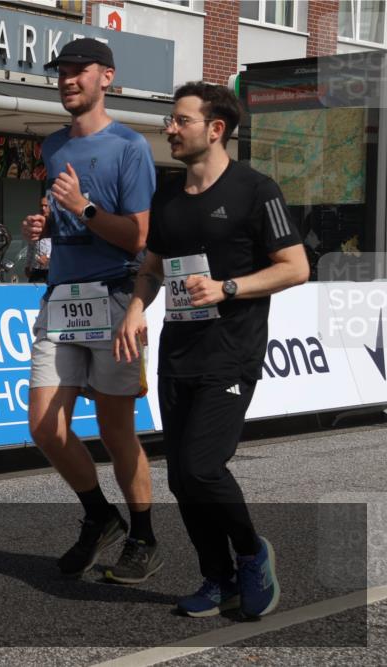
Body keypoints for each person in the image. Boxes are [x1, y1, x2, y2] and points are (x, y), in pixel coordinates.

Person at [115, 82, 308, 617]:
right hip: (179, 351)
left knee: (202, 468)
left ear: (215, 129)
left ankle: (251, 554)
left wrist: (229, 287)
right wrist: (136, 307)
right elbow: (152, 268)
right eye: (170, 120)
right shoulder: (168, 195)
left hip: (232, 351)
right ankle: (216, 577)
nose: (169, 129)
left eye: (180, 120)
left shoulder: (256, 190)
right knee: (180, 475)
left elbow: (296, 267)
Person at [22, 38, 159, 583]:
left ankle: (144, 535)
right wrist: (50, 225)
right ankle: (101, 518)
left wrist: (82, 207)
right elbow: (70, 222)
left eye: (80, 71)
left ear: (108, 77)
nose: (68, 80)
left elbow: (138, 238)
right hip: (61, 300)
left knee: (115, 430)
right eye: (62, 72)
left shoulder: (130, 147)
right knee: (44, 427)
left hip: (115, 297)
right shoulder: (52, 146)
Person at [24, 195, 52, 282]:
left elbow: (61, 245)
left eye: (46, 206)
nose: (43, 208)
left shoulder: (57, 224)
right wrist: (28, 265)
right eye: (41, 206)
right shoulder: (36, 224)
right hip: (37, 269)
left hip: (52, 269)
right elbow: (31, 246)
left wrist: (48, 256)